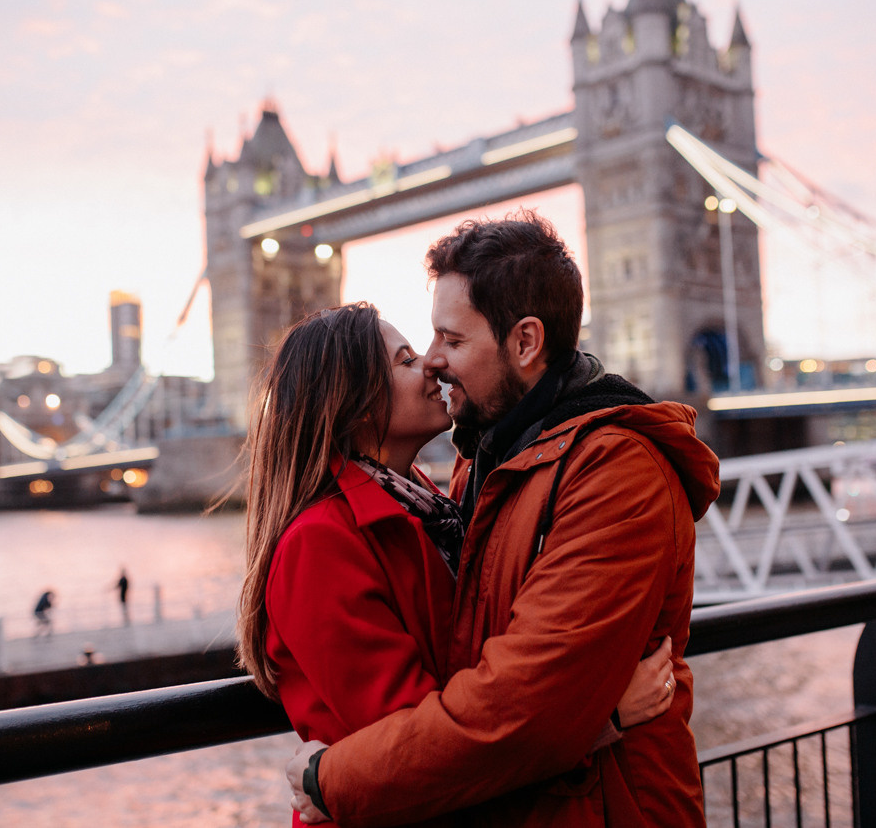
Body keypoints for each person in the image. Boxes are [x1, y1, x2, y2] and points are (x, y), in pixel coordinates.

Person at [288, 211, 721, 826]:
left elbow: (523, 714)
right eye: (422, 347)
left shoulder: (618, 471)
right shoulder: (481, 468)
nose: (434, 362)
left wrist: (330, 778)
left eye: (452, 340)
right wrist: (603, 715)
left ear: (525, 341)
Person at [238, 302, 678, 828]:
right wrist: (598, 716)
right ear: (354, 406)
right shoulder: (319, 545)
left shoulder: (432, 505)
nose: (431, 364)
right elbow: (421, 749)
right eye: (404, 361)